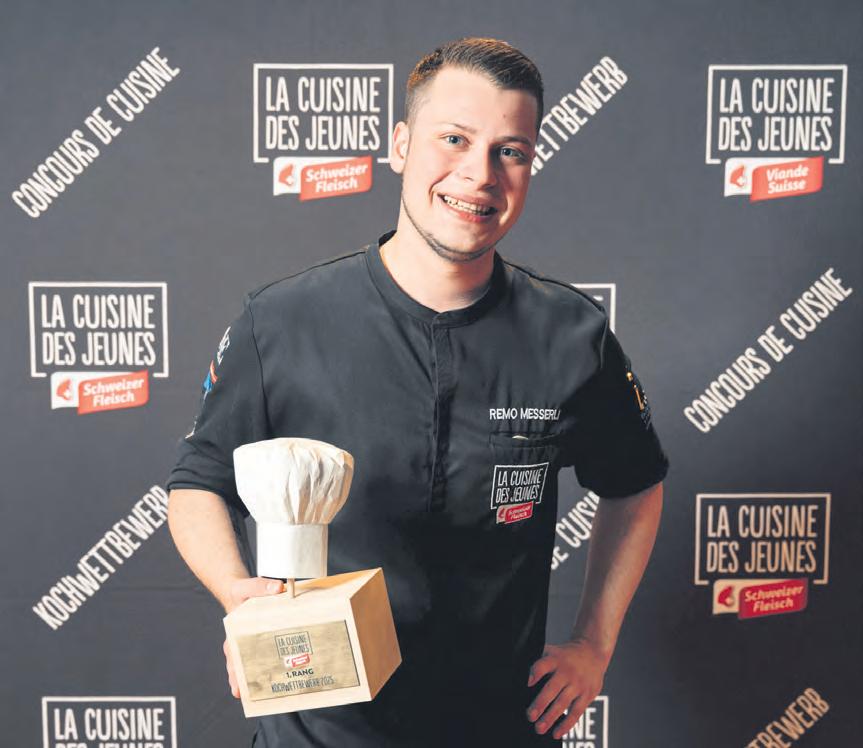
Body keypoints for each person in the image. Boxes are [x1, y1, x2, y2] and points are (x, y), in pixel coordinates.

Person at [167, 37, 668, 747]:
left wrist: (593, 643)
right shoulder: (281, 321)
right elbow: (198, 482)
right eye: (453, 139)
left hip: (498, 727)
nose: (479, 175)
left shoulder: (571, 334)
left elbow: (635, 485)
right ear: (400, 144)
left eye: (509, 151)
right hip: (319, 729)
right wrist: (239, 595)